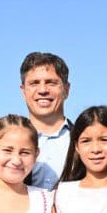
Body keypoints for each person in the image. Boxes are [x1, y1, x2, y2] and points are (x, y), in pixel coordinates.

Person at [19, 52, 72, 190]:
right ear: (23, 91)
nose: (42, 90)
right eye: (34, 83)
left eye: (51, 83)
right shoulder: (5, 141)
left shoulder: (84, 140)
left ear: (66, 90)